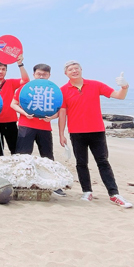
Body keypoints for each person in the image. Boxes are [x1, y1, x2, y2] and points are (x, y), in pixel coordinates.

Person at [58, 61, 132, 208]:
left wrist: (124, 87)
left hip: (97, 131)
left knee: (103, 162)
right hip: (76, 132)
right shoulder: (63, 90)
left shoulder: (95, 84)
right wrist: (61, 134)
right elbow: (62, 113)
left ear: (81, 70)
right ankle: (87, 191)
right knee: (81, 163)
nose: (74, 71)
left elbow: (119, 96)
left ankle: (114, 194)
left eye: (76, 68)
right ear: (66, 73)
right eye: (70, 69)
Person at [10, 63, 65, 197]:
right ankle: (18, 183)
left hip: (44, 128)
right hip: (26, 126)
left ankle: (54, 185)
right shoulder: (24, 88)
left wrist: (52, 117)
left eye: (44, 75)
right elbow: (13, 104)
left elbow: (59, 110)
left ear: (49, 76)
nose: (41, 76)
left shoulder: (53, 90)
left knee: (47, 156)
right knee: (22, 155)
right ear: (34, 74)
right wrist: (23, 113)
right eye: (39, 74)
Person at [0, 55, 29, 155]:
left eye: (3, 69)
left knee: (15, 149)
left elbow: (26, 80)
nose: (0, 71)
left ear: (6, 71)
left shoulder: (11, 83)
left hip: (11, 121)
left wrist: (20, 64)